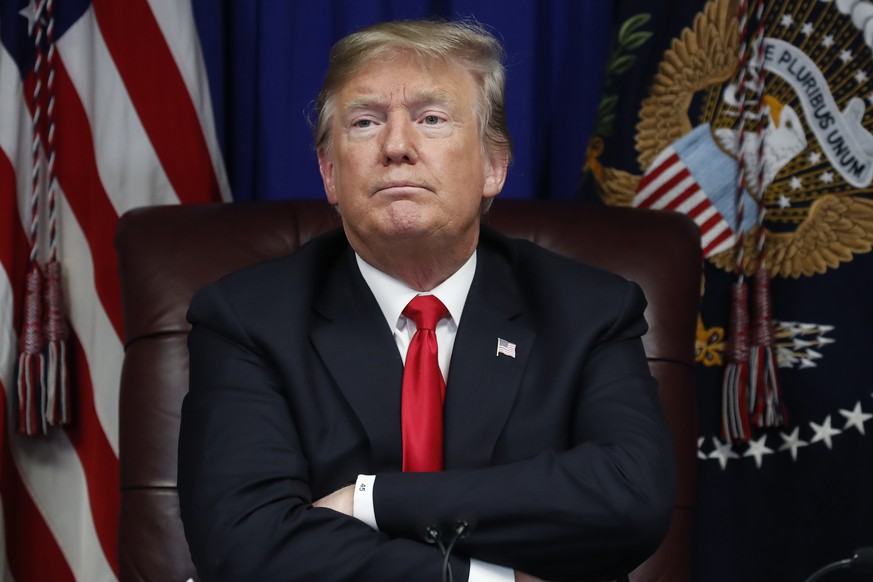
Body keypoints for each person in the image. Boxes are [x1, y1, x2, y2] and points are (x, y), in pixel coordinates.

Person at [177, 19, 675, 582]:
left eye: (431, 120)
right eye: (365, 122)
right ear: (329, 173)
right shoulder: (246, 318)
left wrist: (370, 501)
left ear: (494, 166)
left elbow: (632, 496)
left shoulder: (588, 310)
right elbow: (245, 543)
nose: (395, 146)